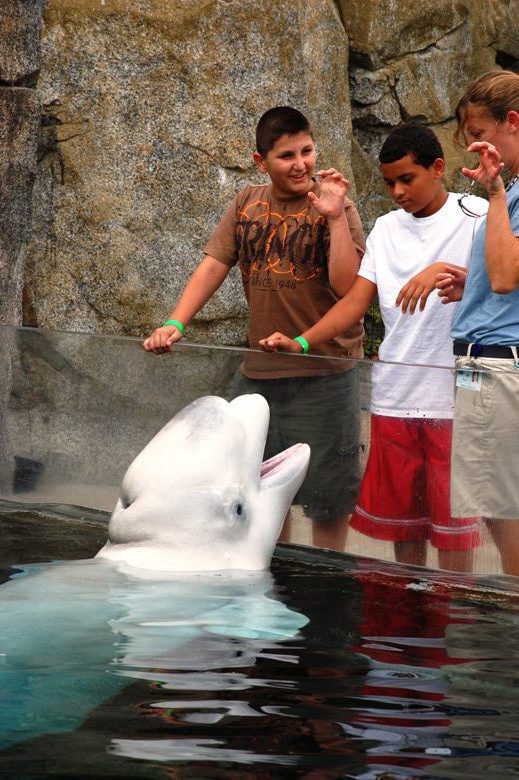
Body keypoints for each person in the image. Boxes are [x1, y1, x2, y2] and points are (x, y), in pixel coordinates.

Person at [260, 122, 485, 572]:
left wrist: (449, 271)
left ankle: (454, 615)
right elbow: (356, 300)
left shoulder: (477, 214)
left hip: (455, 398)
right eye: (389, 183)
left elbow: (502, 285)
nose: (398, 191)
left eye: (408, 179)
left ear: (438, 169)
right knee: (405, 528)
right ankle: (407, 612)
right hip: (395, 398)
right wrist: (303, 341)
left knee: (453, 526)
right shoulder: (384, 227)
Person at [143, 106, 365, 548]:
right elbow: (213, 265)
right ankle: (272, 576)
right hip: (259, 373)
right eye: (286, 155)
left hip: (325, 372)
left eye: (307, 150)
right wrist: (175, 322)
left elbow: (347, 286)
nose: (301, 163)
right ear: (260, 160)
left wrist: (336, 217)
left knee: (328, 499)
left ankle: (325, 589)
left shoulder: (337, 206)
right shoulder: (247, 202)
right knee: (257, 490)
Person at [436, 71, 519, 575]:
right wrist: (477, 284)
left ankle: (512, 619)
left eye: (478, 134)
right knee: (499, 502)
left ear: (512, 122)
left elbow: (507, 276)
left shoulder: (503, 191)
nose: (472, 148)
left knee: (503, 506)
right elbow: (503, 272)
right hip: (487, 365)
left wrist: (491, 193)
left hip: (497, 367)